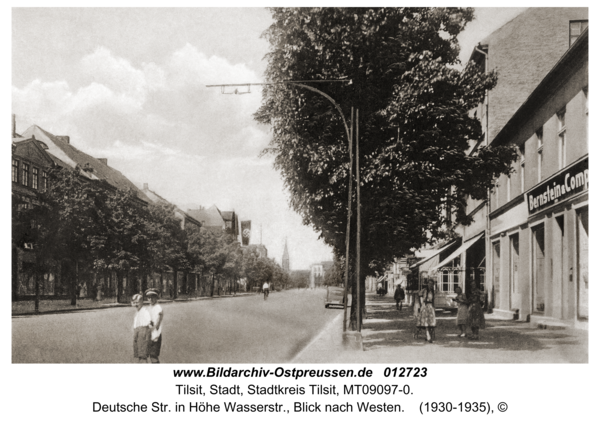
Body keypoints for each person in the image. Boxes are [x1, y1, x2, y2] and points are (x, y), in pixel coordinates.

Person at [131, 294, 152, 363]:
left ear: (142, 302)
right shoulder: (137, 312)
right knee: (139, 356)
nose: (136, 304)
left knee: (143, 356)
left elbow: (150, 323)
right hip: (137, 334)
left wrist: (147, 337)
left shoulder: (145, 311)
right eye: (134, 303)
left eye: (137, 302)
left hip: (143, 334)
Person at [145, 289, 163, 363]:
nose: (151, 299)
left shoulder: (158, 307)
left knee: (153, 356)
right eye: (149, 297)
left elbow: (158, 320)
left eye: (153, 297)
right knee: (150, 355)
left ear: (156, 298)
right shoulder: (149, 308)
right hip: (149, 335)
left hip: (156, 335)